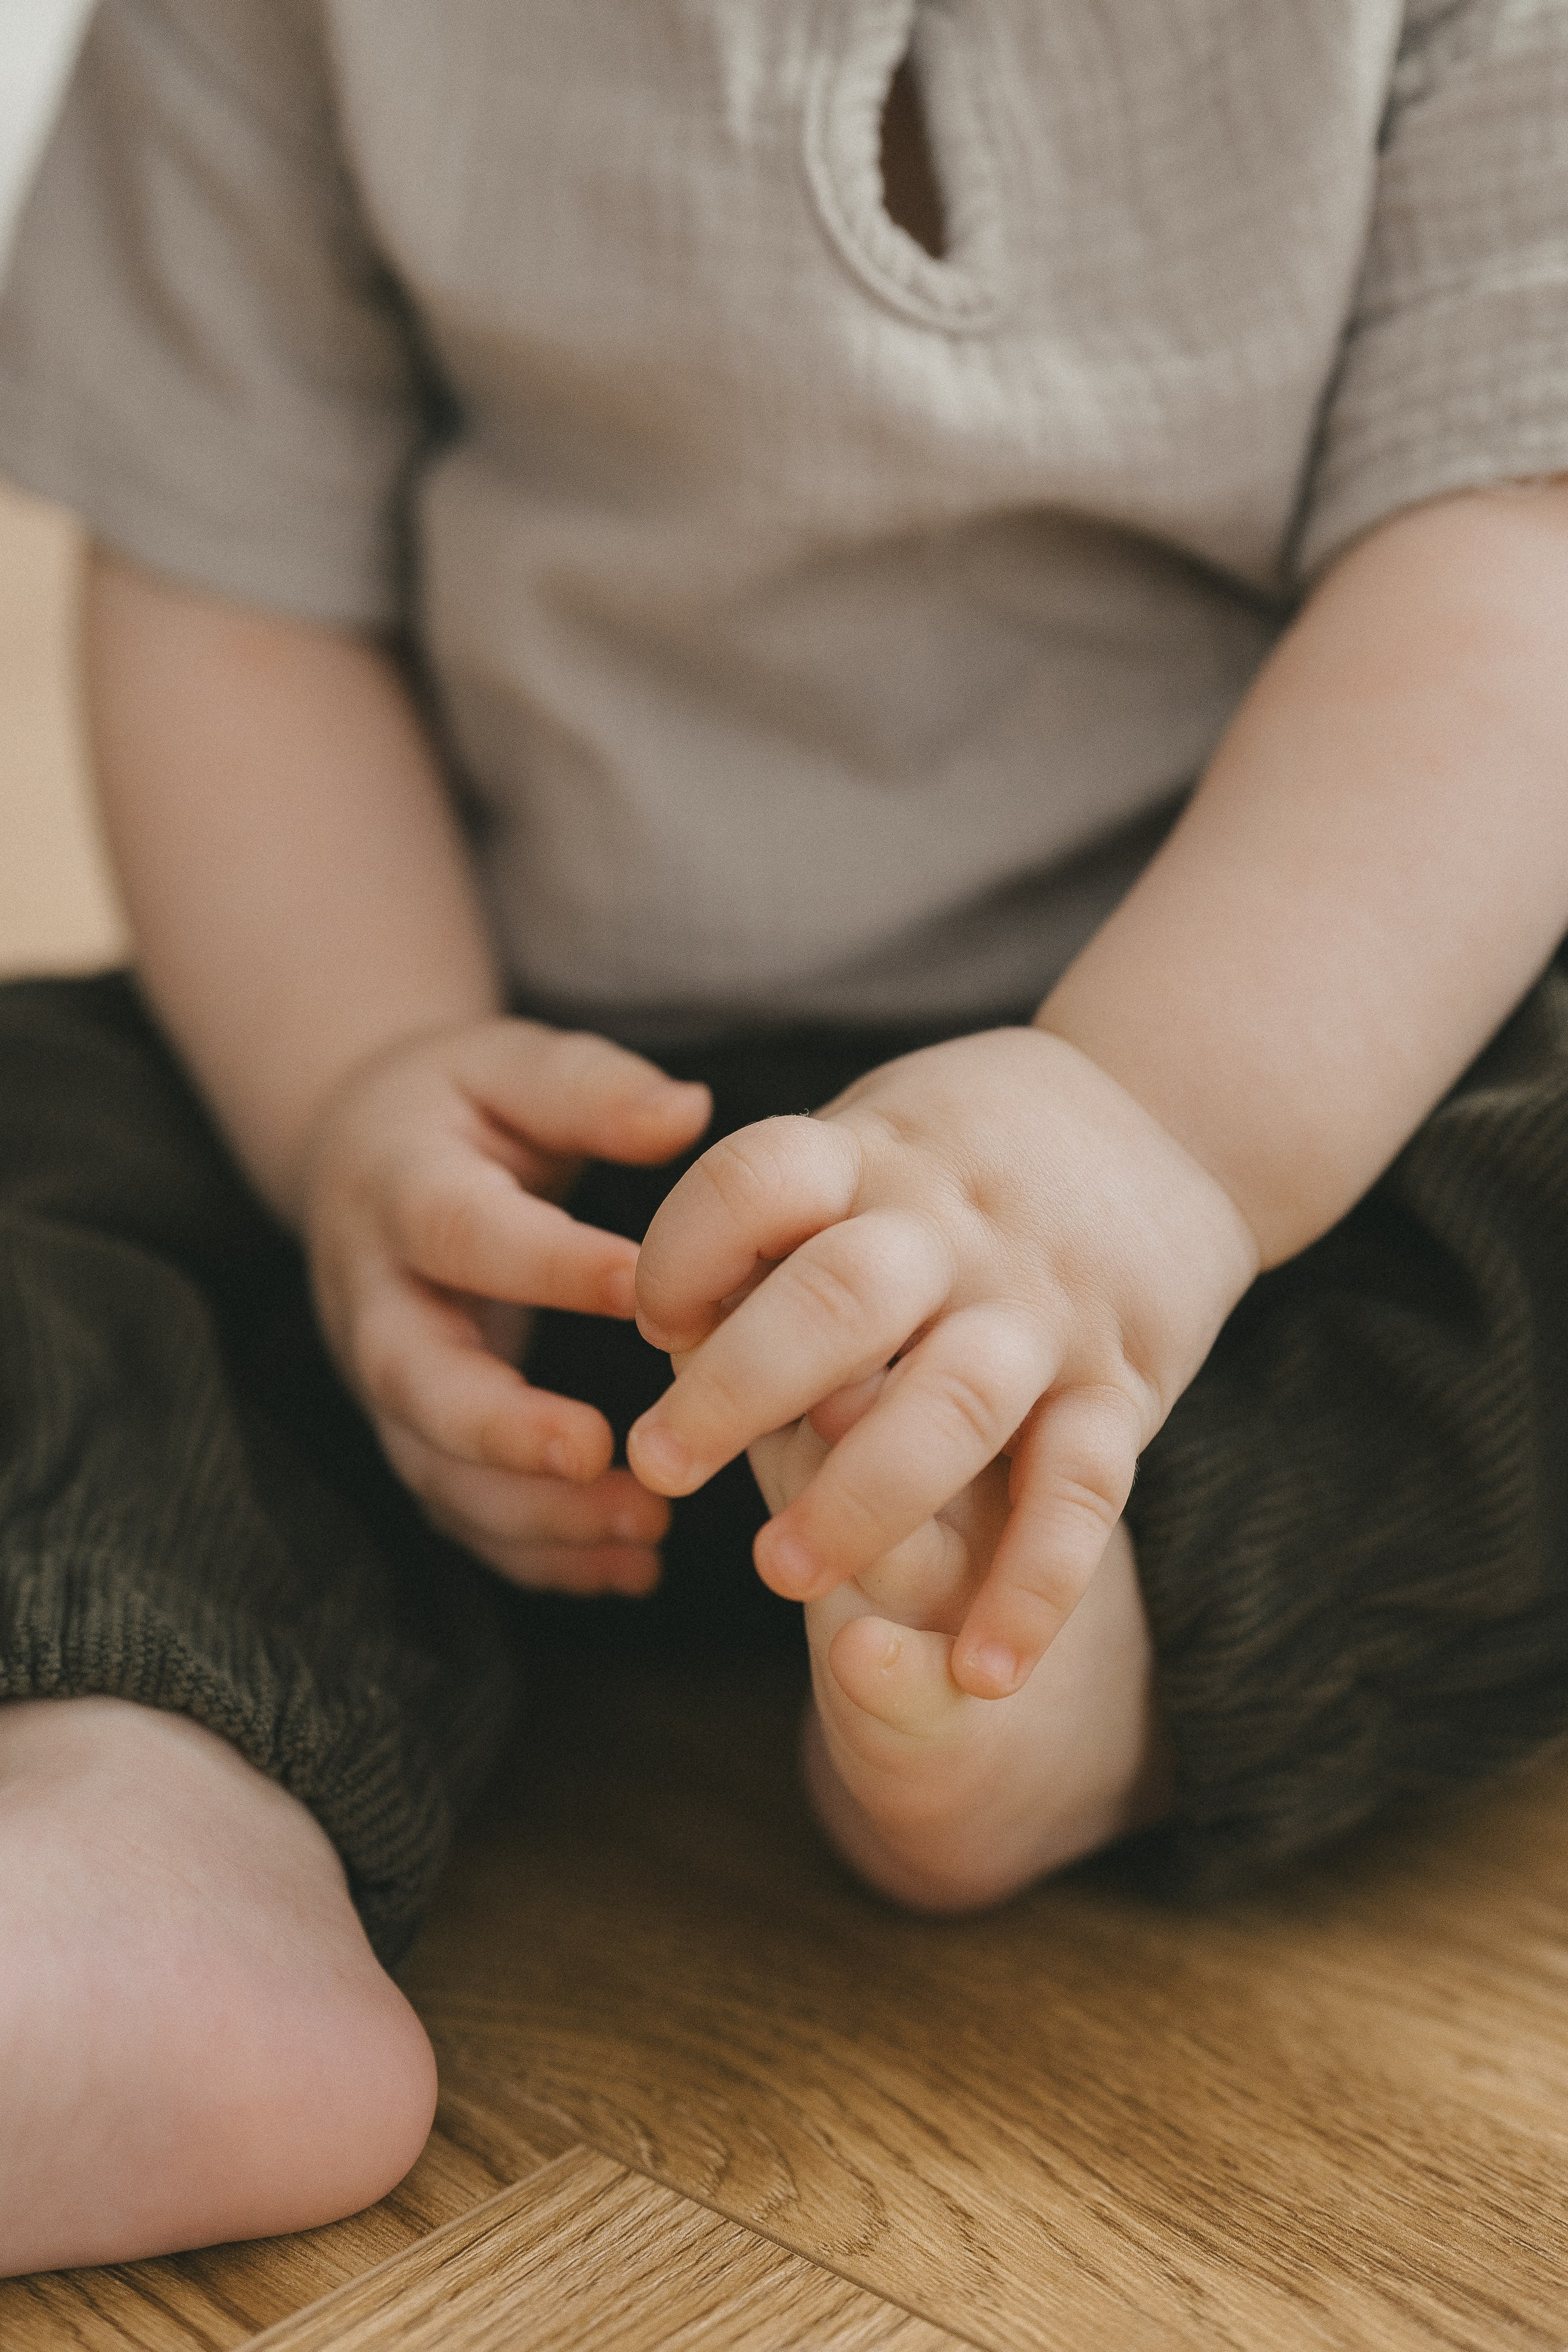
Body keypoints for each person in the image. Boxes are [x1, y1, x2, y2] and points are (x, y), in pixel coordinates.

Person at [2, 0, 1567, 2277]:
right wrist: (361, 1085)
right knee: (56, 1143)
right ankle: (144, 1814)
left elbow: (1510, 560)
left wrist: (1159, 1134)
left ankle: (1096, 1638)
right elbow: (238, 585)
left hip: (1264, 1134)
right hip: (548, 1143)